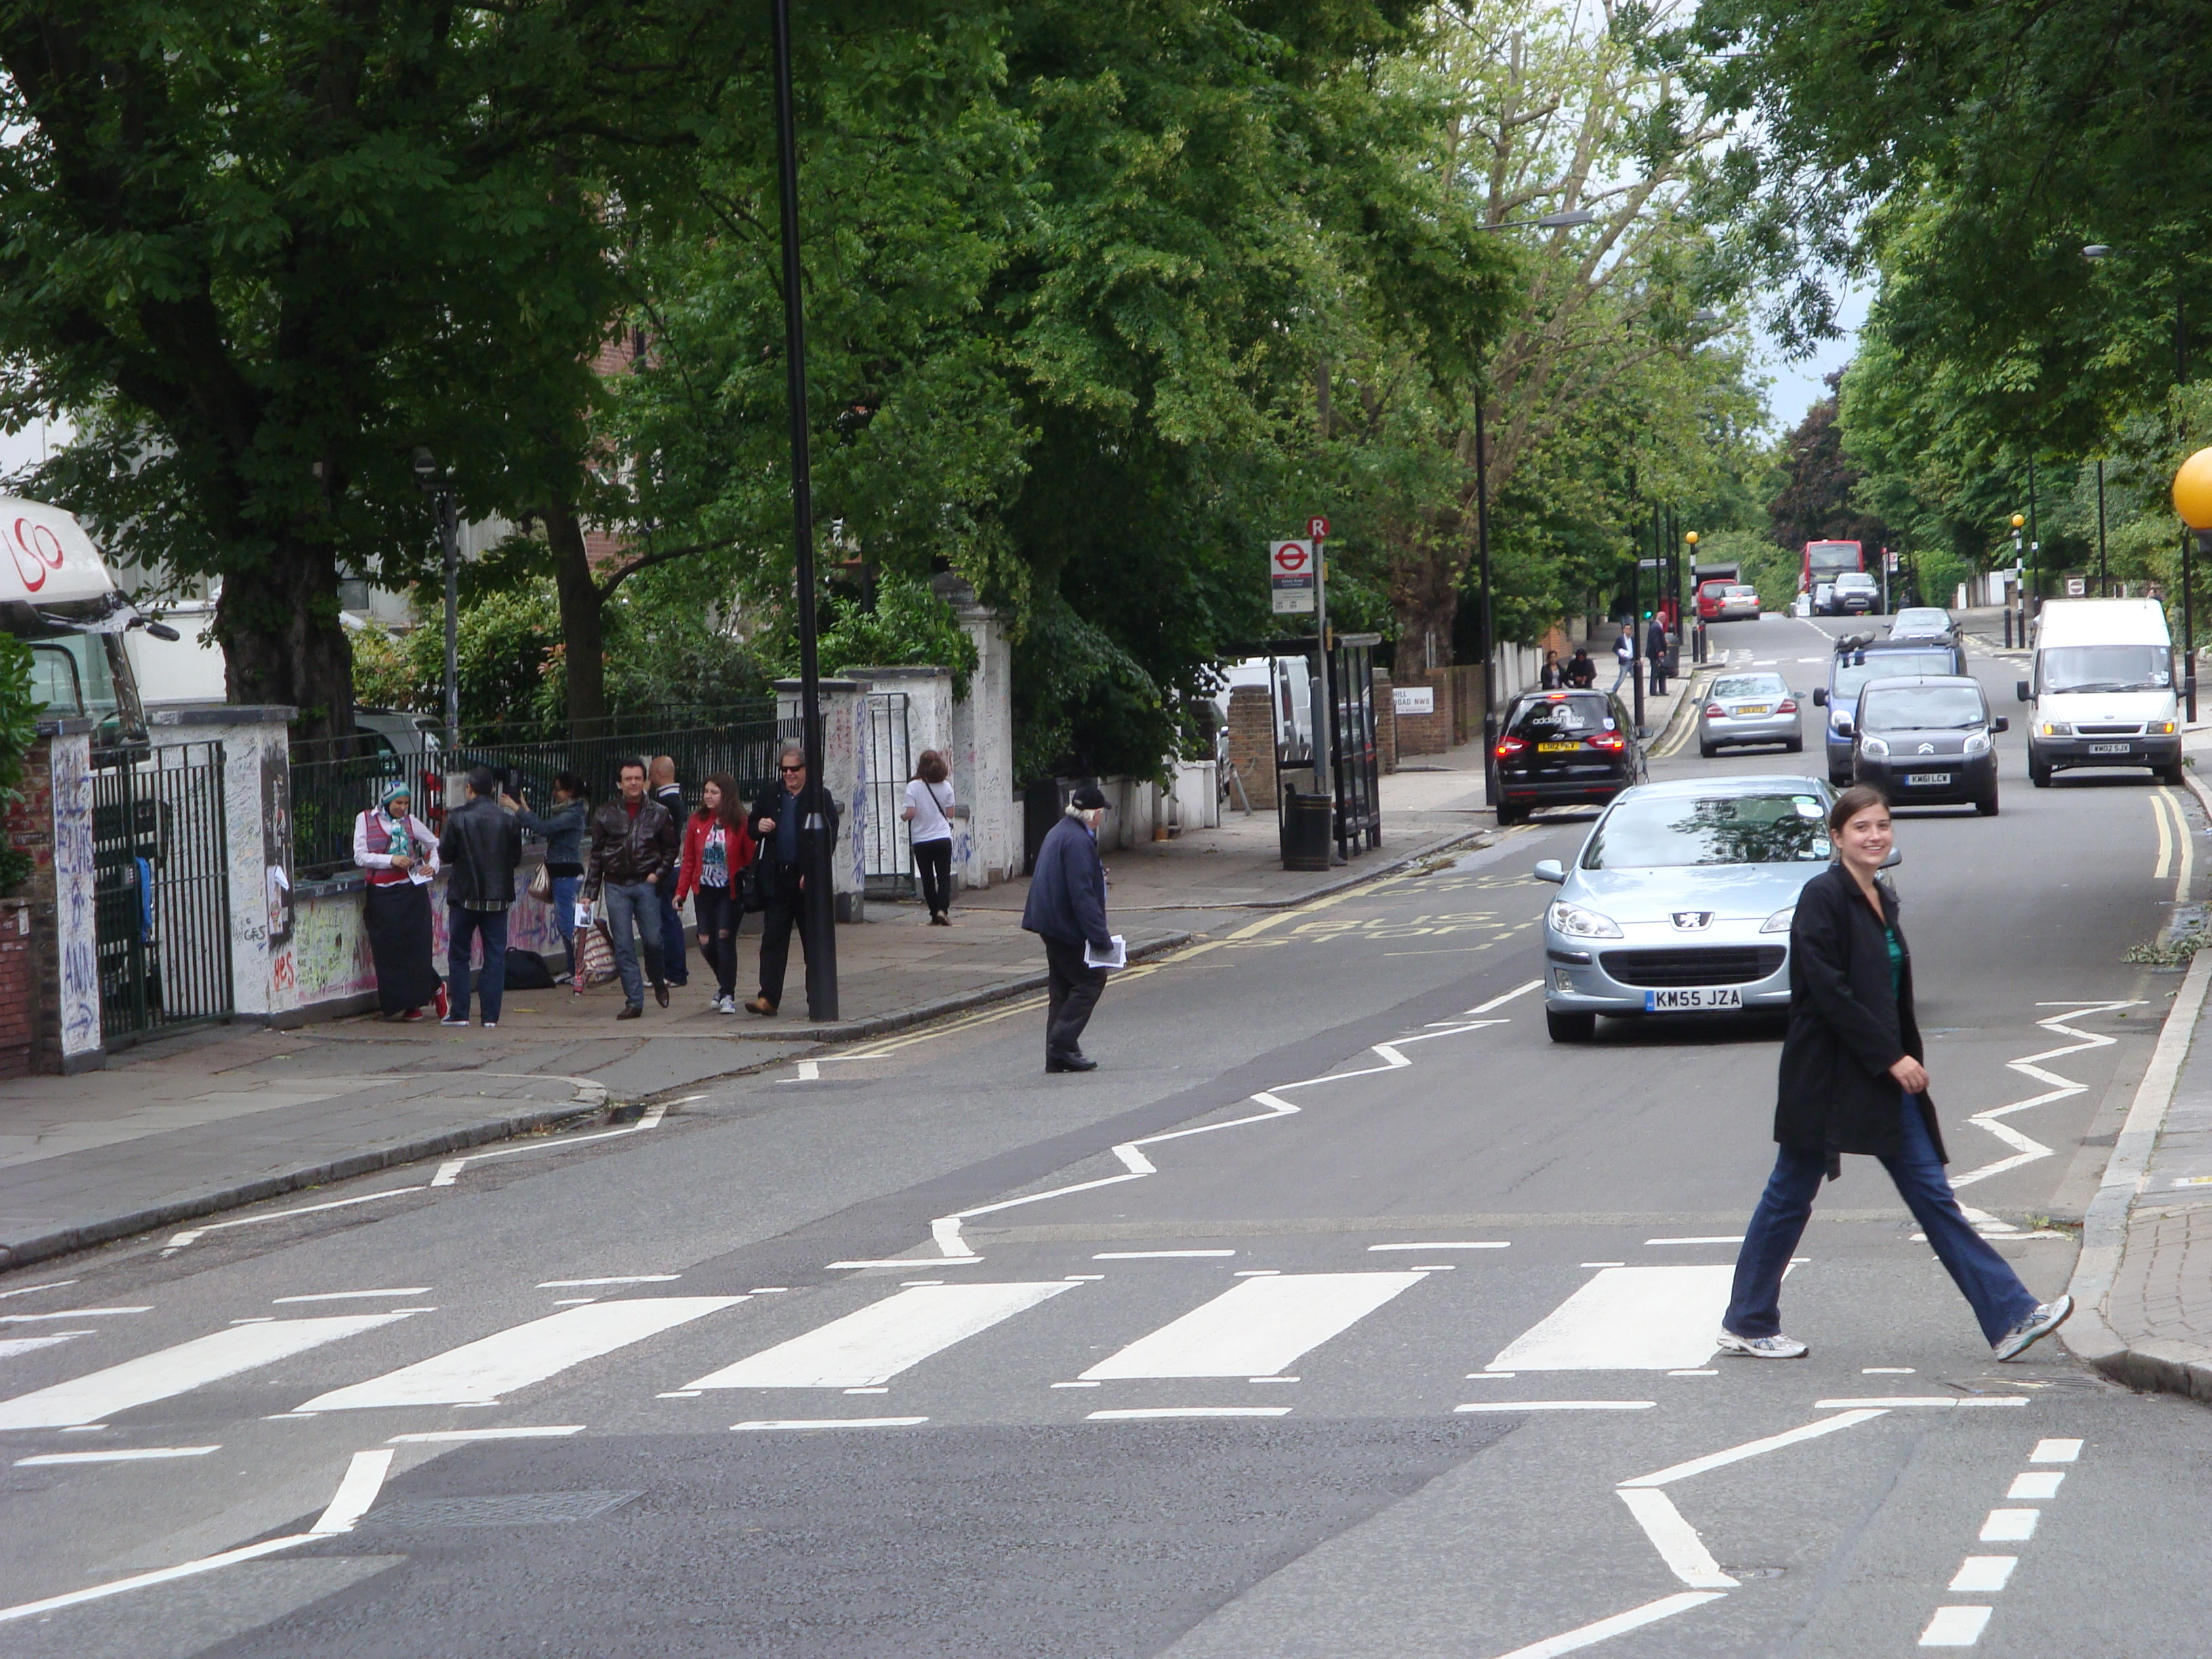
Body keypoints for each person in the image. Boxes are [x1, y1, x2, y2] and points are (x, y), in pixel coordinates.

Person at [1717, 785, 2072, 1362]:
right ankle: (1749, 1320)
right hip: (1829, 1077)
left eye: (1883, 825)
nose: (1875, 835)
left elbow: (1887, 992)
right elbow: (1829, 993)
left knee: (1932, 1194)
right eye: (1861, 827)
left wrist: (1896, 1056)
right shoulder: (1821, 897)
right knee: (1790, 1193)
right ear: (1837, 837)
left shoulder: (1881, 895)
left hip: (1876, 1076)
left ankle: (2011, 1314)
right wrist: (1891, 1057)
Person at [1021, 784, 1114, 1073]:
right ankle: (1061, 1044)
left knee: (1062, 988)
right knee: (1091, 981)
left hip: (1050, 921)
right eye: (1101, 813)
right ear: (1093, 814)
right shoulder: (1078, 841)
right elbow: (1082, 895)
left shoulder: (1063, 830)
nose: (1102, 818)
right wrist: (1101, 938)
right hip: (1064, 924)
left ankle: (1058, 1055)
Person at [745, 745, 839, 1015]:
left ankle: (817, 998)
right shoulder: (771, 794)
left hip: (806, 881)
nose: (788, 774)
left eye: (794, 769)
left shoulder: (819, 796)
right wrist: (759, 827)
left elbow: (828, 838)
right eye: (784, 769)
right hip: (777, 877)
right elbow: (751, 828)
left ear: (805, 770)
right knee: (773, 940)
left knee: (814, 942)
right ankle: (768, 998)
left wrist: (813, 872)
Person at [584, 758, 680, 1019]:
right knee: (624, 944)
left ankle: (658, 980)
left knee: (653, 940)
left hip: (645, 883)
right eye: (628, 779)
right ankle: (634, 1000)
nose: (634, 783)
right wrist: (589, 894)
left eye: (638, 778)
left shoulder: (659, 813)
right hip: (616, 885)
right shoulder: (605, 813)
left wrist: (657, 875)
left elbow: (671, 849)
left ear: (646, 781)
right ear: (620, 783)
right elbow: (596, 856)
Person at [438, 767, 524, 1029]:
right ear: (493, 791)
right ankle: (490, 1016)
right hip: (498, 897)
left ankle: (461, 1012)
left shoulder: (456, 817)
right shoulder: (509, 820)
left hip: (465, 896)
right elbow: (515, 859)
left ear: (469, 789)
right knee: (495, 956)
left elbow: (446, 854)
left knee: (459, 954)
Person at [352, 781, 443, 1022]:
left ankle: (415, 1004)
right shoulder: (366, 819)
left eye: (406, 803)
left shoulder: (412, 822)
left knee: (415, 948)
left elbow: (435, 845)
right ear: (386, 801)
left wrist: (432, 867)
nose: (402, 808)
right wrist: (390, 860)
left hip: (410, 892)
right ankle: (406, 998)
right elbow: (360, 856)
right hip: (382, 893)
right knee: (389, 950)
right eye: (398, 803)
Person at [676, 773, 756, 1014]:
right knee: (705, 944)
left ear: (726, 795)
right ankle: (724, 985)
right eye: (706, 792)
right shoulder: (697, 821)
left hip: (729, 892)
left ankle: (728, 994)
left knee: (724, 940)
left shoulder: (740, 822)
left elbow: (750, 858)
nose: (708, 797)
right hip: (704, 891)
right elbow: (689, 858)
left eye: (714, 792)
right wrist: (680, 893)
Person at [509, 773, 588, 982]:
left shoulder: (573, 813)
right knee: (565, 925)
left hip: (566, 874)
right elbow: (546, 828)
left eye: (558, 789)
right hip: (561, 873)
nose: (554, 794)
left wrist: (517, 809)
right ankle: (574, 969)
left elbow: (544, 828)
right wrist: (526, 810)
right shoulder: (568, 811)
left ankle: (579, 969)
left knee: (567, 925)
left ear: (570, 791)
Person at [649, 756, 691, 989]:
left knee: (667, 919)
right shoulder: (675, 801)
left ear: (659, 775)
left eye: (651, 774)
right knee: (667, 918)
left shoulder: (666, 803)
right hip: (671, 866)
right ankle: (674, 969)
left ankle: (674, 972)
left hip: (664, 868)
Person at [903, 750, 957, 925]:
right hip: (942, 838)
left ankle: (934, 914)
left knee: (927, 878)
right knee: (944, 877)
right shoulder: (946, 786)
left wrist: (904, 816)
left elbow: (911, 813)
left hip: (921, 840)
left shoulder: (913, 786)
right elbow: (950, 814)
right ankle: (943, 910)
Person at [1646, 613, 1670, 695]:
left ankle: (1662, 690)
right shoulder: (1656, 627)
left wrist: (1664, 640)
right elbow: (1656, 640)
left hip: (1655, 653)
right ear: (1662, 618)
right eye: (1665, 618)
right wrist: (1660, 651)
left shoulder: (1656, 626)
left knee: (1661, 672)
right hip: (1655, 654)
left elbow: (1658, 638)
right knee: (1656, 672)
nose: (1665, 620)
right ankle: (1653, 691)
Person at [1610, 623, 1634, 693]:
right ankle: (1613, 691)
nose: (1628, 631)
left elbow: (1636, 649)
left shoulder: (1633, 639)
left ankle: (1639, 693)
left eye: (1629, 629)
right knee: (1621, 678)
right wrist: (1620, 654)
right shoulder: (1620, 639)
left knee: (1637, 679)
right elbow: (1615, 648)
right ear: (1623, 630)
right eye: (1626, 629)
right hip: (1624, 661)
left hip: (1632, 661)